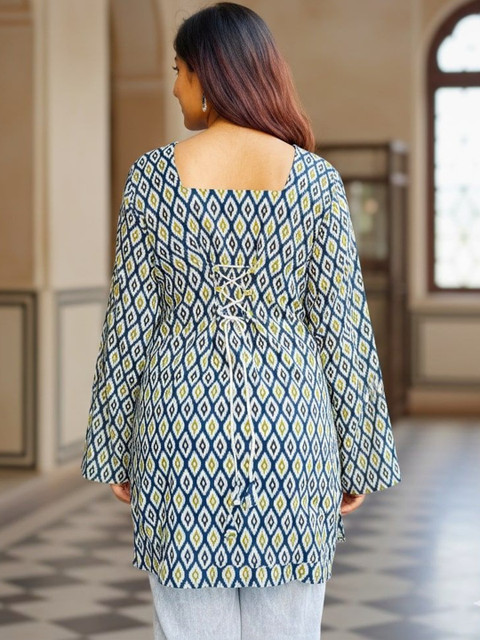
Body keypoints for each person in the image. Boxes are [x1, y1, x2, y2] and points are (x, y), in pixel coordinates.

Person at [80, 3, 401, 639]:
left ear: (207, 74)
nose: (175, 88)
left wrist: (114, 447)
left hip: (180, 432)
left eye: (178, 72)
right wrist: (361, 455)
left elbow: (129, 324)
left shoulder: (152, 179)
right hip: (291, 432)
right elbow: (344, 331)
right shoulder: (315, 183)